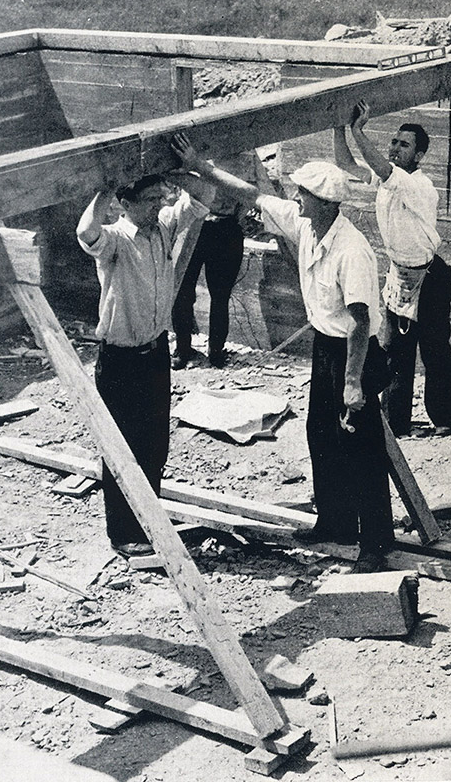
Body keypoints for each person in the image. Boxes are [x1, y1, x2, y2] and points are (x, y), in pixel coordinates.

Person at [171, 132, 394, 571]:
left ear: (327, 203)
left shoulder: (352, 251)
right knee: (321, 434)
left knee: (362, 448)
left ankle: (376, 543)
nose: (297, 199)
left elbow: (362, 323)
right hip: (326, 348)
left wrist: (352, 382)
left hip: (356, 353)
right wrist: (200, 164)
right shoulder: (305, 222)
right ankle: (336, 522)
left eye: (305, 195)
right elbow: (252, 194)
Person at [76, 172, 211, 558]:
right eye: (150, 200)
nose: (159, 205)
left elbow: (205, 193)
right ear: (126, 203)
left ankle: (148, 520)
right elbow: (86, 230)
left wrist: (175, 170)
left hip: (155, 354)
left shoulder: (164, 229)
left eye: (160, 198)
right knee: (122, 447)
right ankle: (123, 533)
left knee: (155, 445)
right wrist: (105, 185)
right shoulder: (115, 239)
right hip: (120, 359)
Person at [334, 103, 451, 439]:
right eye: (393, 142)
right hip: (399, 275)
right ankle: (395, 422)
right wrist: (338, 128)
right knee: (393, 352)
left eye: (404, 145)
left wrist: (358, 130)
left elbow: (384, 170)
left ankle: (445, 418)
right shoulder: (386, 179)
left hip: (430, 277)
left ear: (419, 156)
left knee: (434, 351)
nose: (394, 148)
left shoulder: (418, 185)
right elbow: (346, 164)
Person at [171, 184, 245, 369]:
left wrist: (233, 217)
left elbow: (250, 193)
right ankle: (183, 349)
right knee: (182, 292)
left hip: (226, 228)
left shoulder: (244, 157)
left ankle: (216, 351)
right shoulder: (189, 156)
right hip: (192, 226)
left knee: (221, 297)